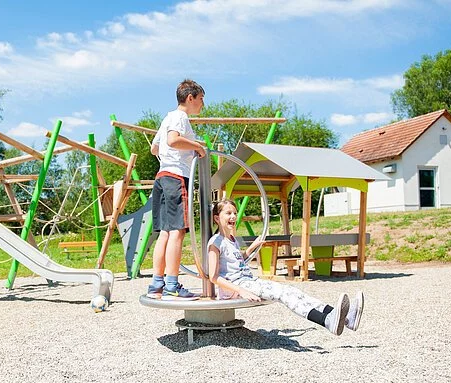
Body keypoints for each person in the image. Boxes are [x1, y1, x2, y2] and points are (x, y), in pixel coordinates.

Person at [207, 199, 364, 335]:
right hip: (237, 288)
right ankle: (326, 321)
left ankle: (345, 317)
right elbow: (214, 277)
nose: (233, 216)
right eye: (228, 213)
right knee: (282, 294)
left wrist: (250, 249)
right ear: (216, 218)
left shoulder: (232, 239)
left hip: (249, 281)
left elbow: (236, 262)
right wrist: (241, 291)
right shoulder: (215, 243)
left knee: (292, 290)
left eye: (234, 213)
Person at [147, 79, 208, 300]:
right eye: (201, 99)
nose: (202, 104)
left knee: (165, 232)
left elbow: (155, 148)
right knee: (177, 232)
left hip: (162, 176)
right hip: (175, 177)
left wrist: (180, 150)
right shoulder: (180, 117)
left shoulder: (167, 119)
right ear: (190, 98)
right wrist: (197, 147)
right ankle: (172, 283)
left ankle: (157, 284)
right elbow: (173, 141)